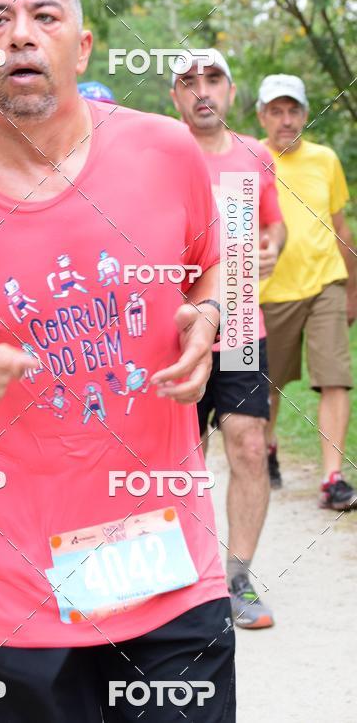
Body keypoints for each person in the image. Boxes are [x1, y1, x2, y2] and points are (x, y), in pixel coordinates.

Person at [0, 0, 235, 722]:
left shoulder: (167, 151)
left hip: (166, 564)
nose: (22, 34)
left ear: (83, 47)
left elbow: (217, 263)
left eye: (44, 16)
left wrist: (209, 316)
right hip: (16, 589)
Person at [171, 50, 286, 629]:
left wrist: (271, 248)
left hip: (241, 321)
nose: (202, 91)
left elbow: (274, 226)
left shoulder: (254, 156)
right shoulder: (162, 153)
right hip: (179, 327)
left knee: (246, 444)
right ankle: (182, 577)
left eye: (213, 78)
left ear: (232, 91)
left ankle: (238, 576)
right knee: (181, 457)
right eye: (188, 82)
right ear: (175, 98)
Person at [258, 74, 357, 510]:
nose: (286, 119)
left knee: (334, 378)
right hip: (270, 292)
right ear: (262, 115)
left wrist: (352, 289)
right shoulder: (248, 158)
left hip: (325, 283)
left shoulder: (325, 159)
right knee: (265, 386)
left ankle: (332, 478)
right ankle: (267, 447)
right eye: (276, 111)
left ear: (304, 113)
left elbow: (340, 228)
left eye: (293, 110)